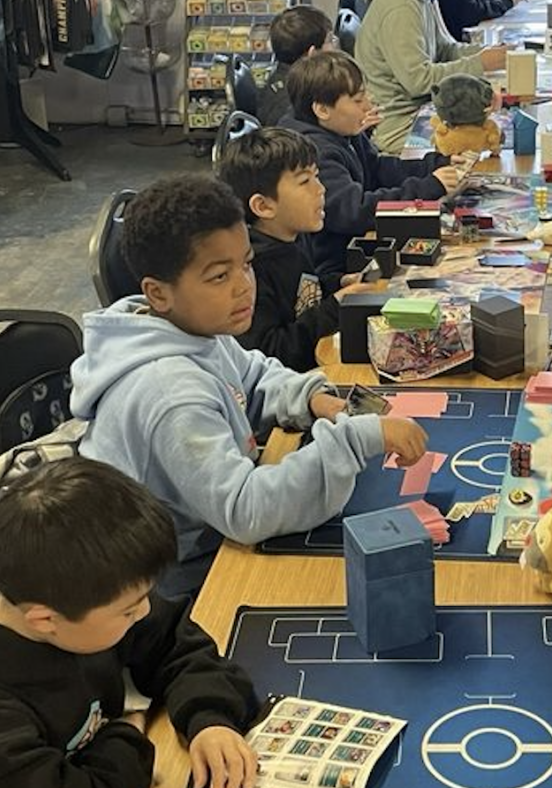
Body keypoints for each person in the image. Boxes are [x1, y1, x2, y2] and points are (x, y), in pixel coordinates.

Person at [70, 175, 429, 595]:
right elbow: (246, 510)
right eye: (219, 276)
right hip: (173, 584)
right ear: (158, 292)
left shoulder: (192, 325)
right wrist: (355, 440)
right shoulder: (170, 394)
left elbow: (252, 375)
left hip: (210, 535)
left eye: (246, 264)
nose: (244, 286)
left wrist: (308, 397)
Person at [0, 456, 262, 787]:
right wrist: (127, 732)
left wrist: (209, 719)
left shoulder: (72, 596)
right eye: (128, 610)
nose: (143, 613)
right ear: (45, 620)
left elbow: (173, 641)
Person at [282, 50, 460, 279]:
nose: (368, 105)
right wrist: (426, 188)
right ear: (322, 110)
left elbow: (377, 168)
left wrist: (433, 165)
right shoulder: (315, 153)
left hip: (362, 243)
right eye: (357, 100)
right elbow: (355, 210)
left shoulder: (342, 129)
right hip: (340, 264)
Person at [217, 127, 373, 372]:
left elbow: (305, 289)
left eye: (317, 176)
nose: (320, 189)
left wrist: (339, 283)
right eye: (304, 181)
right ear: (264, 206)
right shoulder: (252, 268)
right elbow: (274, 352)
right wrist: (334, 308)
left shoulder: (292, 236)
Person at [354, 0, 508, 155]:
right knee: (494, 141)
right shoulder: (399, 5)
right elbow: (418, 80)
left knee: (498, 126)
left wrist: (487, 54)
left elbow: (445, 49)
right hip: (402, 127)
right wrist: (479, 64)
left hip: (427, 111)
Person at [257, 5, 335, 126]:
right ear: (312, 54)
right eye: (329, 40)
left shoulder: (285, 79)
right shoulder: (297, 104)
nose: (334, 47)